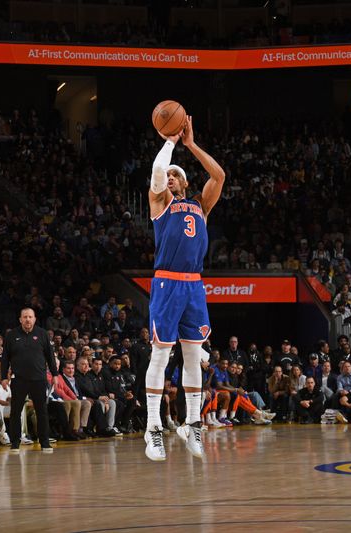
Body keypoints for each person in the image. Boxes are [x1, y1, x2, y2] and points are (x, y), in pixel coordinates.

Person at [143, 115, 225, 461]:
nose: (171, 177)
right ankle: (152, 429)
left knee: (193, 356)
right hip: (166, 282)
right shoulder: (160, 203)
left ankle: (192, 424)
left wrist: (191, 144)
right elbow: (157, 170)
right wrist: (172, 140)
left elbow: (219, 176)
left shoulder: (201, 206)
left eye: (177, 174)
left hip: (194, 285)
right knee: (160, 355)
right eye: (169, 175)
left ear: (186, 181)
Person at [1, 307, 58, 453]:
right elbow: (5, 358)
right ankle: (15, 442)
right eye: (25, 317)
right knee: (16, 412)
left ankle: (44, 442)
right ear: (20, 319)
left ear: (34, 319)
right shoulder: (11, 335)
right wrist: (3, 377)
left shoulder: (42, 334)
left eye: (30, 317)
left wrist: (55, 374)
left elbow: (50, 356)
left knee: (42, 411)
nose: (27, 319)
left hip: (39, 379)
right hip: (19, 379)